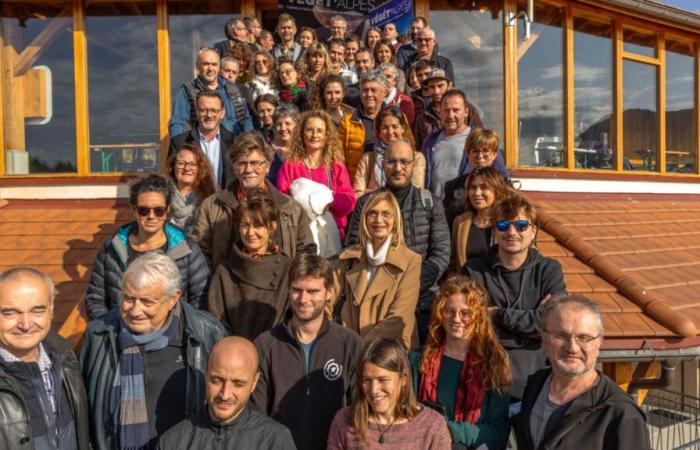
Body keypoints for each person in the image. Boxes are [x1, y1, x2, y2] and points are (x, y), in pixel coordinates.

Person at [81, 252, 227, 450]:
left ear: (173, 299)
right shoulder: (99, 334)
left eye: (147, 302)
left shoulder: (205, 333)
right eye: (129, 298)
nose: (135, 310)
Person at [346, 140, 450, 344]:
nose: (398, 168)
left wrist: (410, 284)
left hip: (421, 303)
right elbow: (352, 248)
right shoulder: (366, 204)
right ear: (383, 164)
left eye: (404, 162)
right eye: (392, 162)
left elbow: (441, 253)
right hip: (372, 302)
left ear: (413, 165)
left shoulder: (430, 203)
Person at [253, 254, 362, 450]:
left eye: (312, 291)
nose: (303, 299)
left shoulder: (350, 344)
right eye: (297, 290)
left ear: (328, 292)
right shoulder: (265, 345)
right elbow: (257, 416)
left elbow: (359, 412)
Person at [463, 193, 566, 400]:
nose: (512, 232)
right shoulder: (473, 271)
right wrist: (531, 323)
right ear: (494, 230)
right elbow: (473, 325)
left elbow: (553, 325)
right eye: (503, 225)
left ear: (533, 231)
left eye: (521, 225)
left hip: (537, 385)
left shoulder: (549, 270)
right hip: (485, 383)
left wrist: (497, 315)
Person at [514, 295, 651, 450]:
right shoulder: (536, 384)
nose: (572, 348)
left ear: (599, 343)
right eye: (560, 336)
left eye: (584, 337)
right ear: (544, 339)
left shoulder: (621, 414)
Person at [85, 174, 209, 320]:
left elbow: (201, 300)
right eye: (143, 210)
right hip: (121, 335)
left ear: (167, 210)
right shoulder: (112, 248)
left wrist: (180, 333)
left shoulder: (187, 250)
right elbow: (95, 299)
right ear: (134, 209)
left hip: (173, 338)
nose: (151, 216)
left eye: (158, 210)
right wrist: (111, 331)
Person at [409, 275, 511, 450]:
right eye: (449, 311)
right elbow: (405, 414)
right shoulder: (418, 359)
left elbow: (498, 432)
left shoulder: (494, 363)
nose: (456, 319)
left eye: (465, 313)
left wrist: (449, 429)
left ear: (479, 316)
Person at [194, 132, 315, 272]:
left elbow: (306, 250)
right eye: (242, 163)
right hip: (229, 288)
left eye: (255, 163)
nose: (249, 169)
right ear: (234, 166)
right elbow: (201, 252)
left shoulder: (290, 207)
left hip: (279, 288)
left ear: (268, 166)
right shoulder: (212, 205)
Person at [0, 268, 89, 449]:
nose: (25, 324)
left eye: (37, 311)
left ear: (51, 310)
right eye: (10, 313)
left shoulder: (66, 360)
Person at [156, 336, 296, 450]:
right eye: (217, 380)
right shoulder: (173, 442)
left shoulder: (275, 440)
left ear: (254, 382)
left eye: (238, 384)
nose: (225, 394)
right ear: (205, 373)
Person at [332, 190, 421, 348]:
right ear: (364, 219)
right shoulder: (348, 258)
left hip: (386, 352)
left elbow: (400, 316)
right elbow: (326, 299)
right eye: (372, 213)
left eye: (386, 214)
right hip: (346, 348)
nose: (379, 220)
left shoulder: (410, 261)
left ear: (395, 220)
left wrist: (363, 347)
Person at [327, 338, 452, 449]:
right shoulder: (345, 421)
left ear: (403, 378)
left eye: (383, 380)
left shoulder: (432, 427)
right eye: (366, 380)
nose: (373, 390)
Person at [207, 192, 291, 340]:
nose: (250, 233)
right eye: (244, 225)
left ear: (272, 226)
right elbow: (215, 320)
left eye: (258, 225)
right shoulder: (224, 271)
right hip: (234, 354)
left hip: (275, 350)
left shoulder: (287, 269)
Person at [276, 110, 356, 242]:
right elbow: (282, 201)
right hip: (301, 236)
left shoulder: (336, 166)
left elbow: (349, 201)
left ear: (326, 135)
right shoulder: (290, 166)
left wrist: (327, 201)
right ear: (302, 134)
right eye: (309, 130)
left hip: (333, 236)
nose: (314, 135)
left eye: (319, 131)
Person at [169, 47, 253, 137]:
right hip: (202, 147)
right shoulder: (187, 91)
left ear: (219, 67)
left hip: (234, 147)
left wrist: (248, 143)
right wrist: (181, 147)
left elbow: (246, 119)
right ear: (197, 66)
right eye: (206, 64)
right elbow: (177, 124)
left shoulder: (233, 88)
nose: (210, 68)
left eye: (214, 64)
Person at [443, 128, 512, 227]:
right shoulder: (453, 186)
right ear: (468, 154)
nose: (480, 156)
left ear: (494, 154)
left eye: (485, 151)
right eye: (475, 151)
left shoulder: (505, 186)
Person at [169, 91, 237, 190]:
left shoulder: (234, 143)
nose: (209, 115)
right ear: (196, 111)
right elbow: (171, 178)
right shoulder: (179, 142)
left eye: (213, 110)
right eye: (204, 110)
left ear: (222, 113)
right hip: (191, 203)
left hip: (225, 203)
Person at [352, 107, 423, 197]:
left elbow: (416, 193)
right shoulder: (367, 159)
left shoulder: (416, 158)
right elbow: (358, 194)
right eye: (385, 127)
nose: (390, 132)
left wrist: (373, 193)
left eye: (395, 127)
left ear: (403, 129)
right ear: (380, 132)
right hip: (374, 209)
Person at [451, 166, 511, 270]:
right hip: (468, 284)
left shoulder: (509, 222)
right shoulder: (460, 222)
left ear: (497, 190)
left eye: (484, 187)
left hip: (499, 284)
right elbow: (454, 261)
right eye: (473, 187)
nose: (477, 193)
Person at [422, 88, 473, 200]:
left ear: (466, 112)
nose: (450, 115)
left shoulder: (477, 139)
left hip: (465, 209)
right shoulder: (430, 141)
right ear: (440, 112)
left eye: (456, 110)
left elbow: (500, 175)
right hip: (435, 209)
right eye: (446, 110)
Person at [338, 69, 389, 180]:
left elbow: (409, 148)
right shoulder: (348, 121)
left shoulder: (397, 118)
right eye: (365, 90)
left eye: (373, 90)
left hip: (389, 183)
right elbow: (338, 157)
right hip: (357, 184)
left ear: (384, 92)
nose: (369, 94)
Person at [165, 144, 216, 236]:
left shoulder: (210, 200)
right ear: (173, 166)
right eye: (181, 163)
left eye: (193, 164)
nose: (187, 168)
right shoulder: (161, 196)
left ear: (200, 168)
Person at [268, 103, 300, 186]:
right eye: (279, 124)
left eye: (288, 124)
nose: (283, 128)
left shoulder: (304, 148)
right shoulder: (267, 149)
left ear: (297, 125)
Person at [380, 63, 414, 127]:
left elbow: (406, 128)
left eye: (388, 76)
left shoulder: (404, 101)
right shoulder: (372, 99)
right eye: (382, 77)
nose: (385, 80)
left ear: (395, 81)